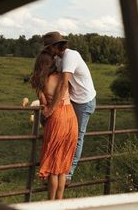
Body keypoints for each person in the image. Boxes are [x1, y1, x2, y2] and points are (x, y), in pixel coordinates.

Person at [42, 31, 96, 184]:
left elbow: (63, 83)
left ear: (54, 46)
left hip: (84, 101)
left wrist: (51, 109)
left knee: (76, 137)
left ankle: (67, 174)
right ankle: (55, 169)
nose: (46, 51)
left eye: (47, 48)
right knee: (61, 133)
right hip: (72, 100)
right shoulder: (58, 59)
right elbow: (54, 81)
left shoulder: (70, 56)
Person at [31, 52, 78, 200]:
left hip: (57, 118)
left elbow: (44, 104)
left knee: (53, 168)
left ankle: (51, 203)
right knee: (63, 168)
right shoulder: (63, 77)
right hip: (71, 117)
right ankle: (59, 202)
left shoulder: (40, 81)